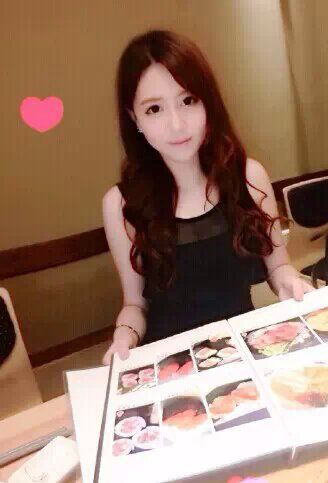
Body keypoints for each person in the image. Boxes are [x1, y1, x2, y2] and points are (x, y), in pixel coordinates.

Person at [102, 30, 313, 366]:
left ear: (207, 102)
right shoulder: (120, 204)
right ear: (134, 118)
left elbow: (278, 266)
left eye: (188, 101)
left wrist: (290, 281)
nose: (176, 124)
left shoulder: (249, 177)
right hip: (173, 366)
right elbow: (135, 305)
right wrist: (124, 335)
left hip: (245, 353)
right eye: (154, 109)